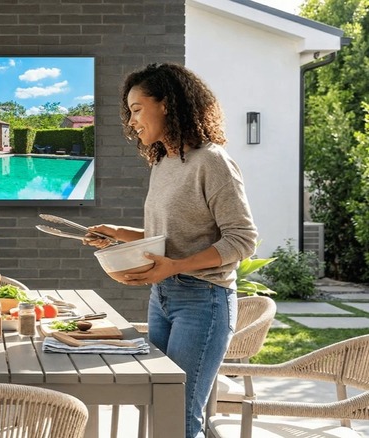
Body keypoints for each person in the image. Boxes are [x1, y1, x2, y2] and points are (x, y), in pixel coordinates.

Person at [85, 63, 257, 438]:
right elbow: (168, 235)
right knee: (155, 404)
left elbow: (242, 239)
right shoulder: (163, 163)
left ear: (166, 104)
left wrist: (176, 266)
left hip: (203, 301)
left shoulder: (212, 161)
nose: (132, 122)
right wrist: (116, 234)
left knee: (179, 415)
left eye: (136, 109)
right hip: (163, 296)